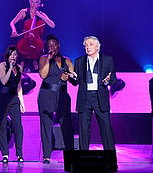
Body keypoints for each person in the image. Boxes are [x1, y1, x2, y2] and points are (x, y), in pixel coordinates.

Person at [71, 36, 118, 170]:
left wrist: (108, 80)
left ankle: (111, 162)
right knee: (84, 130)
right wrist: (72, 77)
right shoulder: (79, 61)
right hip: (84, 98)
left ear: (97, 46)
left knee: (106, 130)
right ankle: (83, 161)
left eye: (90, 44)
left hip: (100, 97)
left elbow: (114, 80)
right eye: (86, 45)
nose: (88, 47)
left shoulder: (108, 60)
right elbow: (76, 81)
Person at [37, 34, 74, 164]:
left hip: (62, 95)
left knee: (66, 125)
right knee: (46, 125)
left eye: (54, 45)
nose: (52, 47)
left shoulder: (67, 61)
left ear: (59, 45)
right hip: (46, 94)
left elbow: (74, 78)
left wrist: (68, 77)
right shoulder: (43, 59)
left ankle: (69, 153)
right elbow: (43, 74)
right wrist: (48, 59)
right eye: (49, 46)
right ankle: (46, 155)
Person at [0, 45, 25, 163]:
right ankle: (5, 154)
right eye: (11, 54)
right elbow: (4, 81)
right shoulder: (3, 65)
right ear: (7, 55)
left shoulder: (20, 68)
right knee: (2, 125)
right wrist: (10, 68)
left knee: (18, 125)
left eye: (15, 54)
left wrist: (21, 102)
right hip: (2, 98)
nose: (13, 56)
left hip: (13, 98)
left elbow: (19, 85)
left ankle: (19, 154)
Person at [9, 0, 55, 72]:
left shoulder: (41, 14)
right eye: (32, 2)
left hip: (36, 42)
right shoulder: (23, 12)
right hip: (24, 40)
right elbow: (12, 22)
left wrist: (41, 16)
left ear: (38, 3)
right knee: (20, 62)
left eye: (36, 2)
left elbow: (52, 25)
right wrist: (14, 30)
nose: (34, 4)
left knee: (39, 60)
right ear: (29, 2)